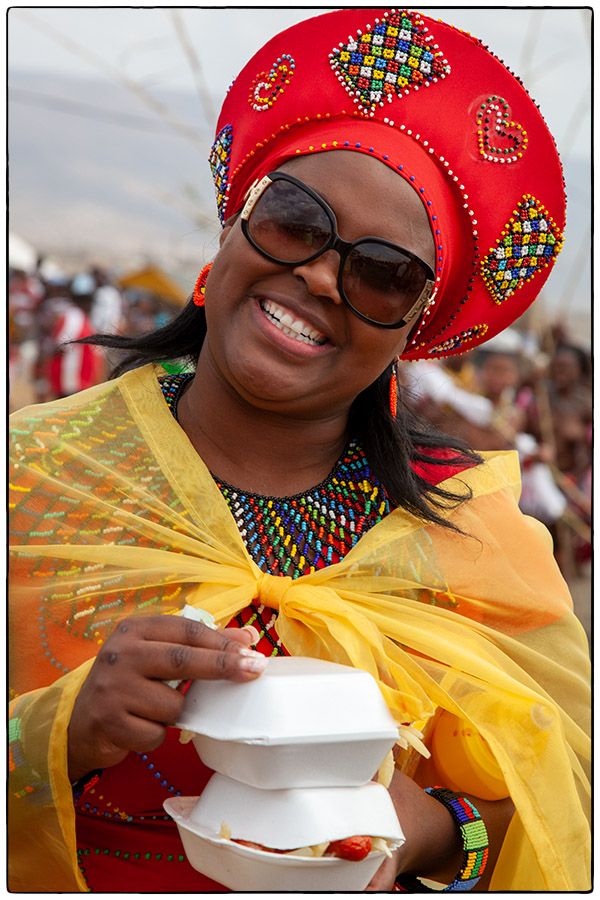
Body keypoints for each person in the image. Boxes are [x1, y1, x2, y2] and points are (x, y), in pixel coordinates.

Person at [9, 8, 590, 893]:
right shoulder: (32, 475)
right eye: (294, 220)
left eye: (383, 273)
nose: (320, 275)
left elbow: (561, 799)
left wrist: (434, 830)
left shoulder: (477, 544)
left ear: (415, 332)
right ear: (233, 227)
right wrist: (58, 729)